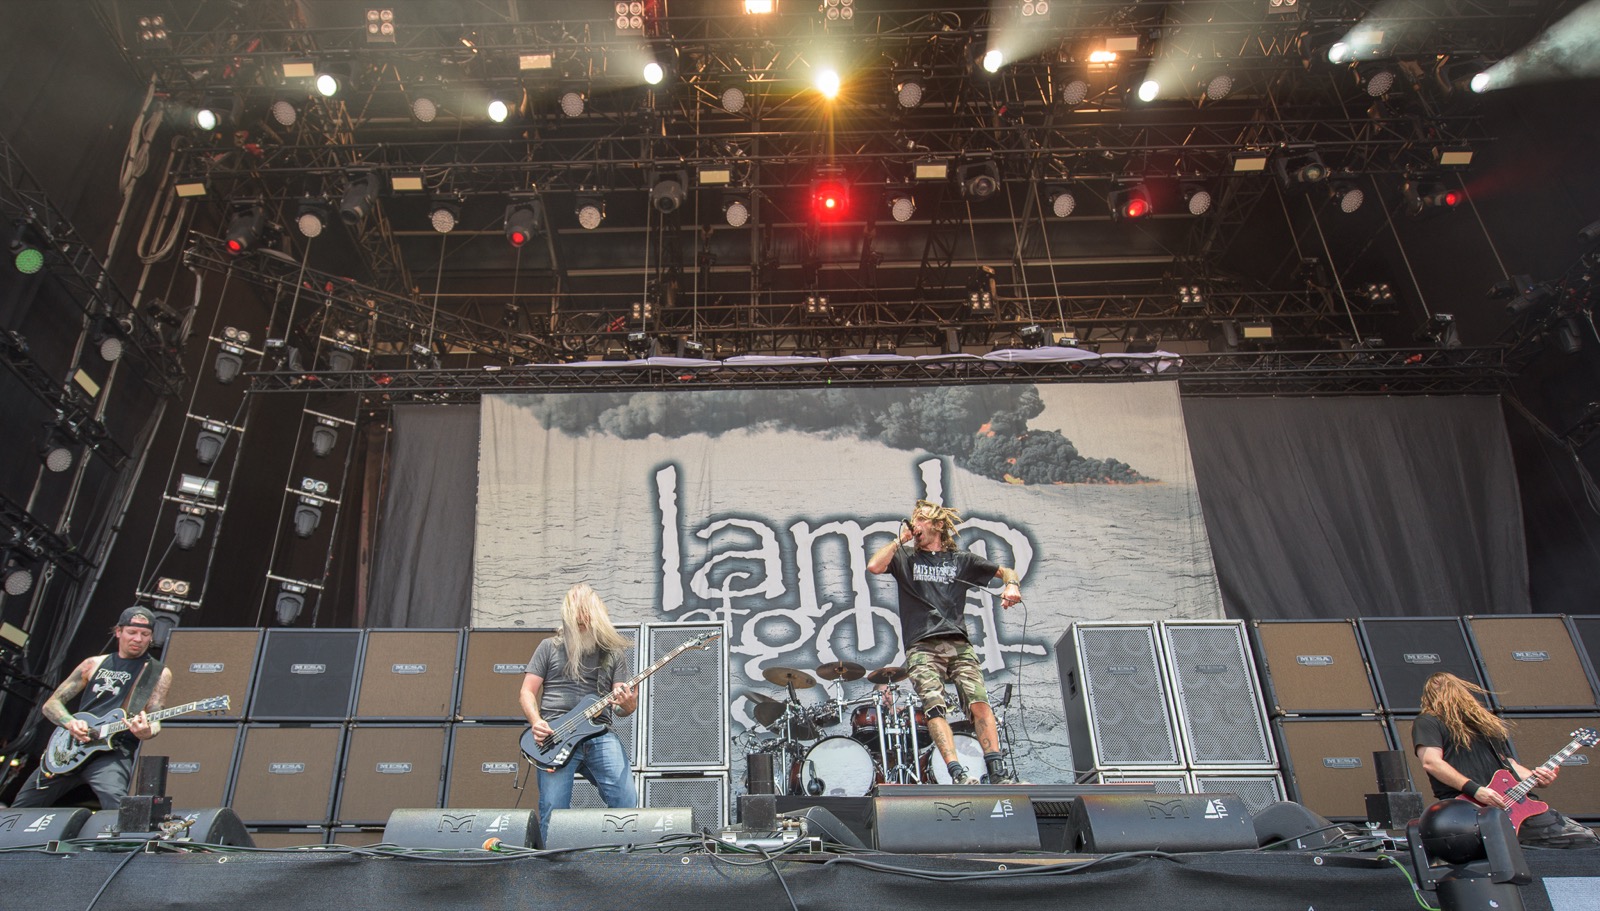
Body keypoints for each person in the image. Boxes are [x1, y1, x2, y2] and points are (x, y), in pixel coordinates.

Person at [867, 499, 1022, 785]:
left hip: (958, 642)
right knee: (934, 705)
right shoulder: (905, 557)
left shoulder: (962, 560)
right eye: (914, 519)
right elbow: (875, 566)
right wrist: (900, 540)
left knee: (979, 702)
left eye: (923, 519)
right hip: (921, 644)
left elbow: (1006, 572)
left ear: (939, 525)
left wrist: (1011, 585)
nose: (916, 524)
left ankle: (997, 772)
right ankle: (957, 772)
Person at [10, 607, 173, 809]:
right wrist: (69, 722)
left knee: (117, 805)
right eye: (132, 632)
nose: (138, 639)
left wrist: (147, 731)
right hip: (71, 747)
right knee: (21, 807)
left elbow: (155, 718)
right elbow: (51, 704)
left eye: (145, 634)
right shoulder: (93, 664)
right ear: (119, 632)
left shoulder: (158, 672)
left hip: (112, 749)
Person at [1412, 671, 1598, 848]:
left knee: (1587, 839)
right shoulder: (1428, 721)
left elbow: (1511, 765)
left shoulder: (1487, 724)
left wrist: (1540, 779)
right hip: (1468, 809)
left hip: (1515, 804)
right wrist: (1475, 790)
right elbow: (1431, 762)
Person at [519, 583, 638, 844]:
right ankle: (554, 871)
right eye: (576, 619)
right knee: (553, 810)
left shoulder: (612, 653)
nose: (580, 623)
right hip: (555, 736)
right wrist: (537, 721)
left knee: (626, 800)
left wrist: (628, 705)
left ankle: (627, 862)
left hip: (598, 734)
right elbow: (527, 691)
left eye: (585, 618)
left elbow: (620, 706)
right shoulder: (548, 647)